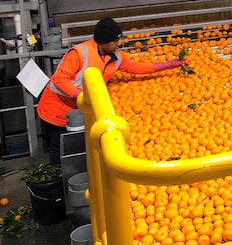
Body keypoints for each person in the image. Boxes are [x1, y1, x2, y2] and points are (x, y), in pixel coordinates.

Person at [37, 17, 188, 164]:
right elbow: (60, 79)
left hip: (82, 110)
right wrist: (83, 97)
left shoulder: (116, 56)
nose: (119, 43)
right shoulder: (79, 53)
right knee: (59, 147)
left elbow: (137, 68)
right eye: (115, 41)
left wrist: (171, 64)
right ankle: (57, 179)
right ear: (104, 42)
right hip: (57, 109)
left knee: (79, 147)